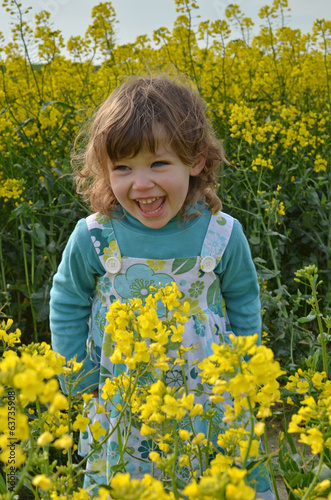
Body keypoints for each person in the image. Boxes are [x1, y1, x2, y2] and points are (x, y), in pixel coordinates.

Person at [50, 75, 274, 499]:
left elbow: (244, 299)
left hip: (211, 398)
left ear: (196, 160)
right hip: (122, 400)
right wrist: (78, 379)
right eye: (122, 168)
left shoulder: (223, 234)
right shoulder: (95, 235)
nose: (141, 184)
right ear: (104, 171)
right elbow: (67, 301)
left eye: (158, 164)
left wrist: (246, 371)